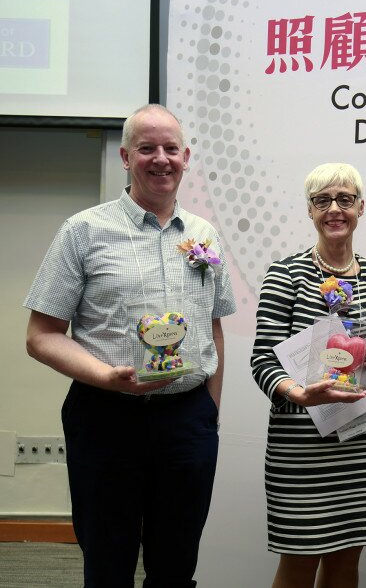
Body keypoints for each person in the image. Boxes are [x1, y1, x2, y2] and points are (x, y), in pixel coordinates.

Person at [24, 104, 236, 587]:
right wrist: (105, 377)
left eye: (170, 149)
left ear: (186, 157)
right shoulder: (83, 231)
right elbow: (41, 336)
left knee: (176, 564)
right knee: (107, 563)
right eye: (146, 149)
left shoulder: (204, 234)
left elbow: (214, 328)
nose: (160, 159)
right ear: (125, 156)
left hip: (187, 423)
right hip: (106, 419)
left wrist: (209, 411)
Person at [251, 163, 366, 588]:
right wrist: (298, 393)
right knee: (298, 564)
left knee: (346, 563)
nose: (334, 209)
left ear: (360, 207)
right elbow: (262, 360)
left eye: (344, 199)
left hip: (362, 440)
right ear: (310, 211)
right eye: (322, 200)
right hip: (302, 446)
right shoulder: (286, 274)